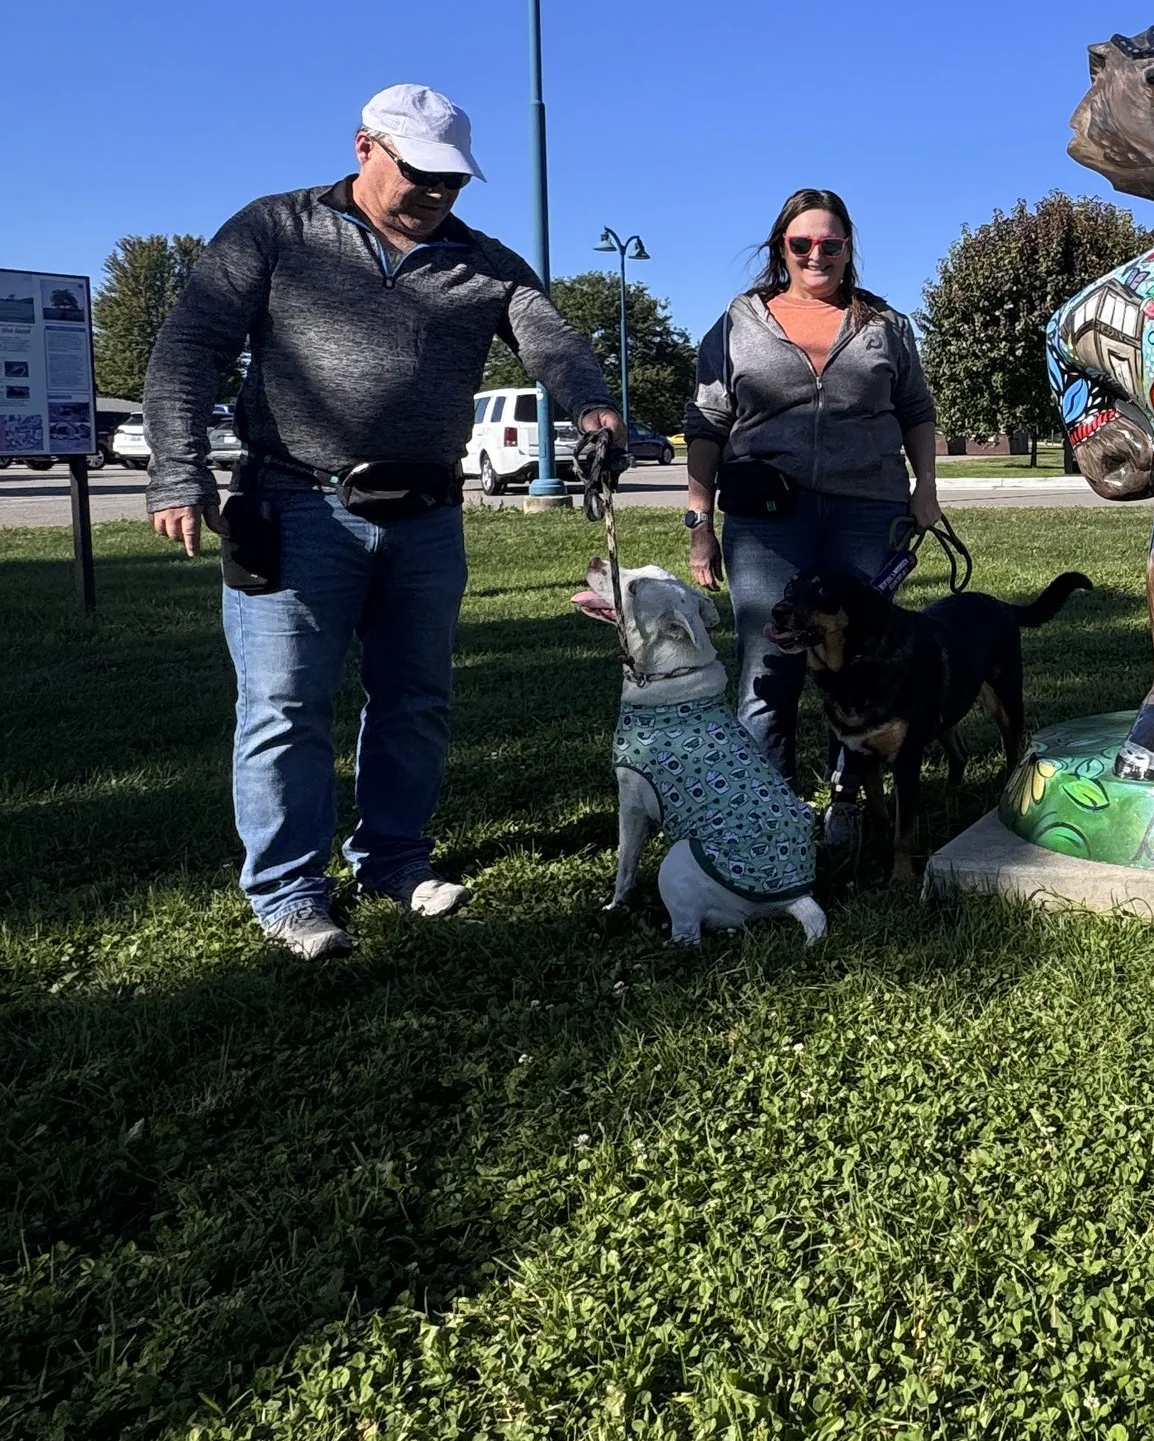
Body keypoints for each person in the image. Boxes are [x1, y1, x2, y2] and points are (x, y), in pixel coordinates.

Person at [144, 83, 620, 959]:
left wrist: (592, 406)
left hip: (426, 516)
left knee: (417, 701)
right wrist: (178, 470)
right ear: (366, 147)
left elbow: (552, 340)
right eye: (423, 173)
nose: (439, 193)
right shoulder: (277, 229)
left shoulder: (485, 261)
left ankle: (396, 858)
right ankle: (291, 892)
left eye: (454, 180)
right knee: (286, 707)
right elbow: (188, 345)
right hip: (292, 503)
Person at [683, 189, 941, 793]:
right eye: (802, 243)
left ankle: (846, 803)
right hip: (768, 522)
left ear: (848, 248)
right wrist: (699, 522)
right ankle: (766, 812)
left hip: (868, 509)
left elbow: (916, 410)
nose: (816, 254)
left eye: (830, 243)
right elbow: (707, 425)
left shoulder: (885, 326)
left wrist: (926, 487)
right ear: (782, 248)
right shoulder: (737, 325)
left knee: (856, 660)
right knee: (769, 668)